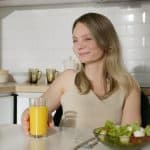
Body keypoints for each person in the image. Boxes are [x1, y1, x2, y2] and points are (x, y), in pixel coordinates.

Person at [22, 12, 141, 134]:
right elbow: (33, 111)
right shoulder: (67, 78)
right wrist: (28, 116)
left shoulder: (128, 85)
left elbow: (129, 136)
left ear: (108, 43)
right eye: (75, 40)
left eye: (87, 39)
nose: (79, 46)